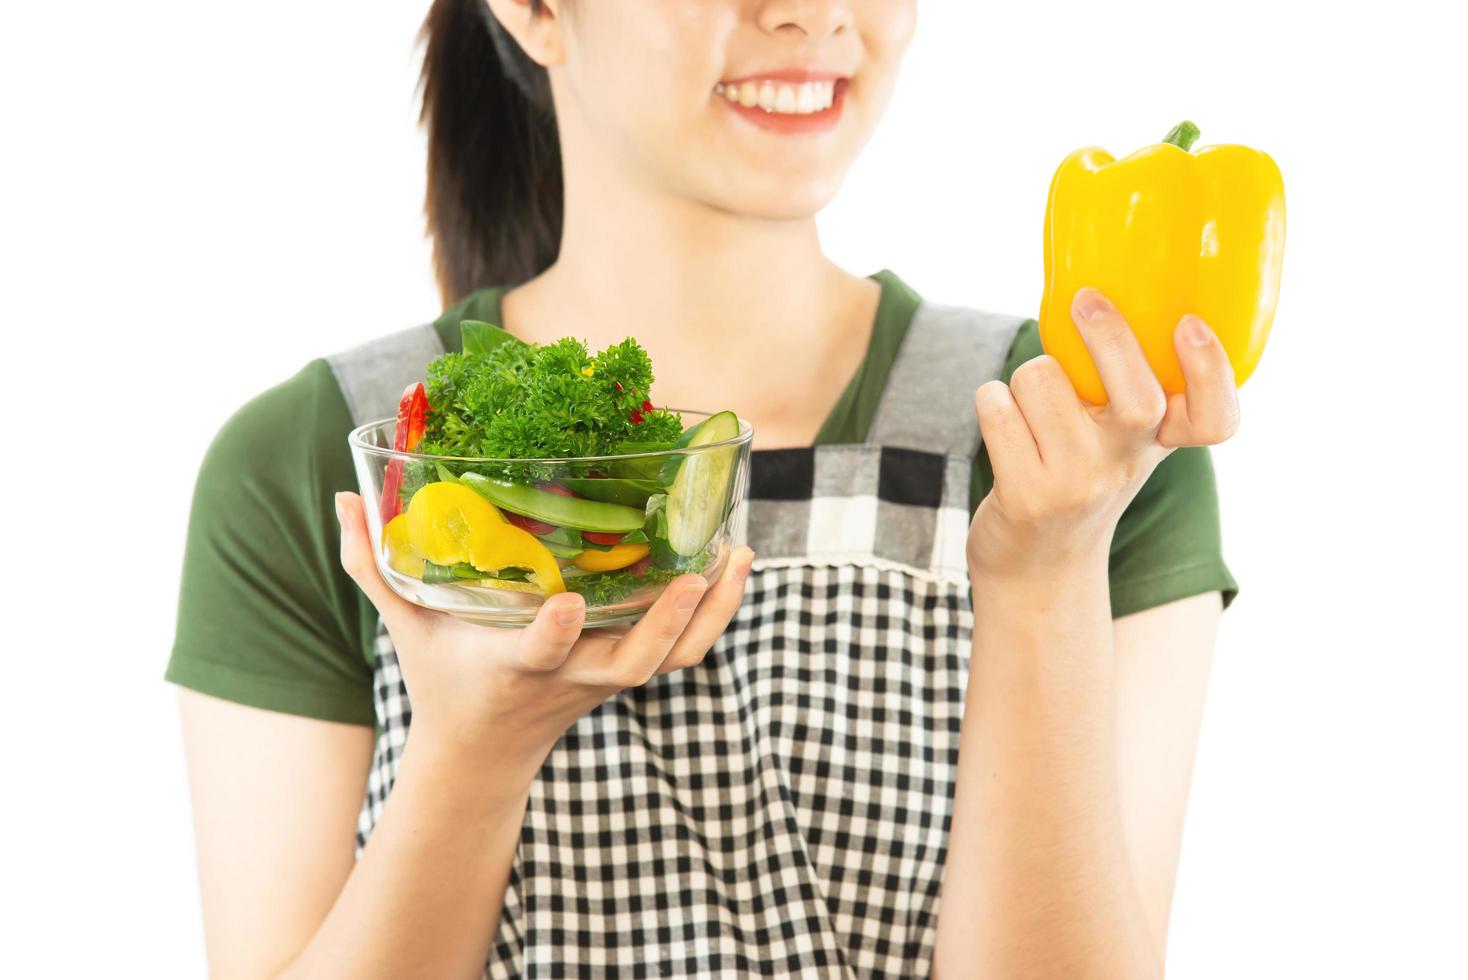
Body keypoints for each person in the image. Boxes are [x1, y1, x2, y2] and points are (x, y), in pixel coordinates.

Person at [168, 1, 1241, 976]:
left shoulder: (1078, 446)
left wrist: (1044, 577)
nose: (816, 15)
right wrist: (471, 752)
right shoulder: (326, 462)